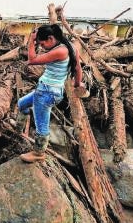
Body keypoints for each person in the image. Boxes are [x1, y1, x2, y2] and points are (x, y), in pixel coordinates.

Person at [17, 24, 85, 163]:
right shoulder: (70, 46)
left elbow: (32, 60)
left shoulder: (60, 51)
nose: (41, 46)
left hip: (46, 93)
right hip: (46, 91)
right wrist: (78, 84)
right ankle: (18, 129)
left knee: (42, 125)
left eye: (42, 43)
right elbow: (78, 68)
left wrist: (31, 40)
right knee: (22, 104)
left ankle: (38, 153)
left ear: (51, 38)